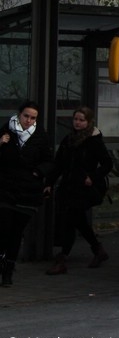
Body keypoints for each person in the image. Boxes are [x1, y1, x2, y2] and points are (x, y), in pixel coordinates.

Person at [44, 106, 113, 275]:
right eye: (76, 119)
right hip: (68, 186)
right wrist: (49, 182)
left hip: (83, 188)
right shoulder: (69, 140)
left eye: (82, 120)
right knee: (78, 221)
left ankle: (62, 258)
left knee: (70, 220)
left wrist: (93, 177)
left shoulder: (94, 141)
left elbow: (107, 163)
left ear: (89, 122)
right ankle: (98, 250)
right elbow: (59, 164)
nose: (78, 123)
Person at [0, 100, 54, 287]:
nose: (29, 120)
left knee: (15, 233)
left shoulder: (40, 136)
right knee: (4, 229)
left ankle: (8, 272)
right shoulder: (6, 131)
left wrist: (39, 172)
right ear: (19, 115)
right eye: (26, 116)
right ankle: (3, 265)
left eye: (33, 118)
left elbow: (48, 160)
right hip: (6, 189)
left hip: (27, 193)